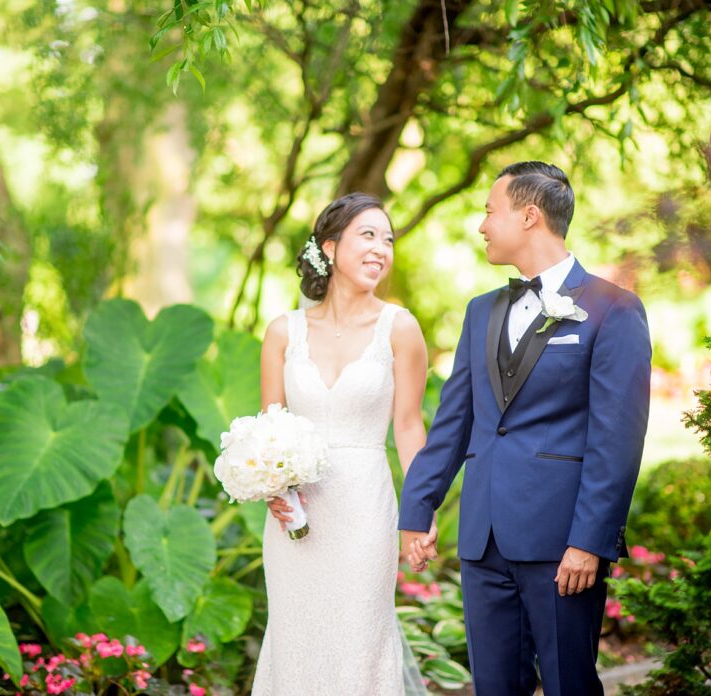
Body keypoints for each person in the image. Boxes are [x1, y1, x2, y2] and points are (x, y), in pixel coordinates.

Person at [399, 161, 651, 695]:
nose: (482, 225)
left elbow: (617, 442)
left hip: (562, 545)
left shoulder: (613, 311)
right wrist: (417, 509)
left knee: (569, 685)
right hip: (483, 540)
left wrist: (589, 540)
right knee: (494, 687)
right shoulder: (480, 312)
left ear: (530, 215)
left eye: (491, 211)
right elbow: (454, 422)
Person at [252, 193, 431, 695]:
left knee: (358, 638)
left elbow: (409, 427)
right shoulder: (282, 332)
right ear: (330, 248)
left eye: (388, 239)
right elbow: (270, 428)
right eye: (368, 235)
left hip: (364, 511)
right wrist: (269, 485)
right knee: (295, 637)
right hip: (296, 512)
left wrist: (421, 511)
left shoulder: (401, 328)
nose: (381, 249)